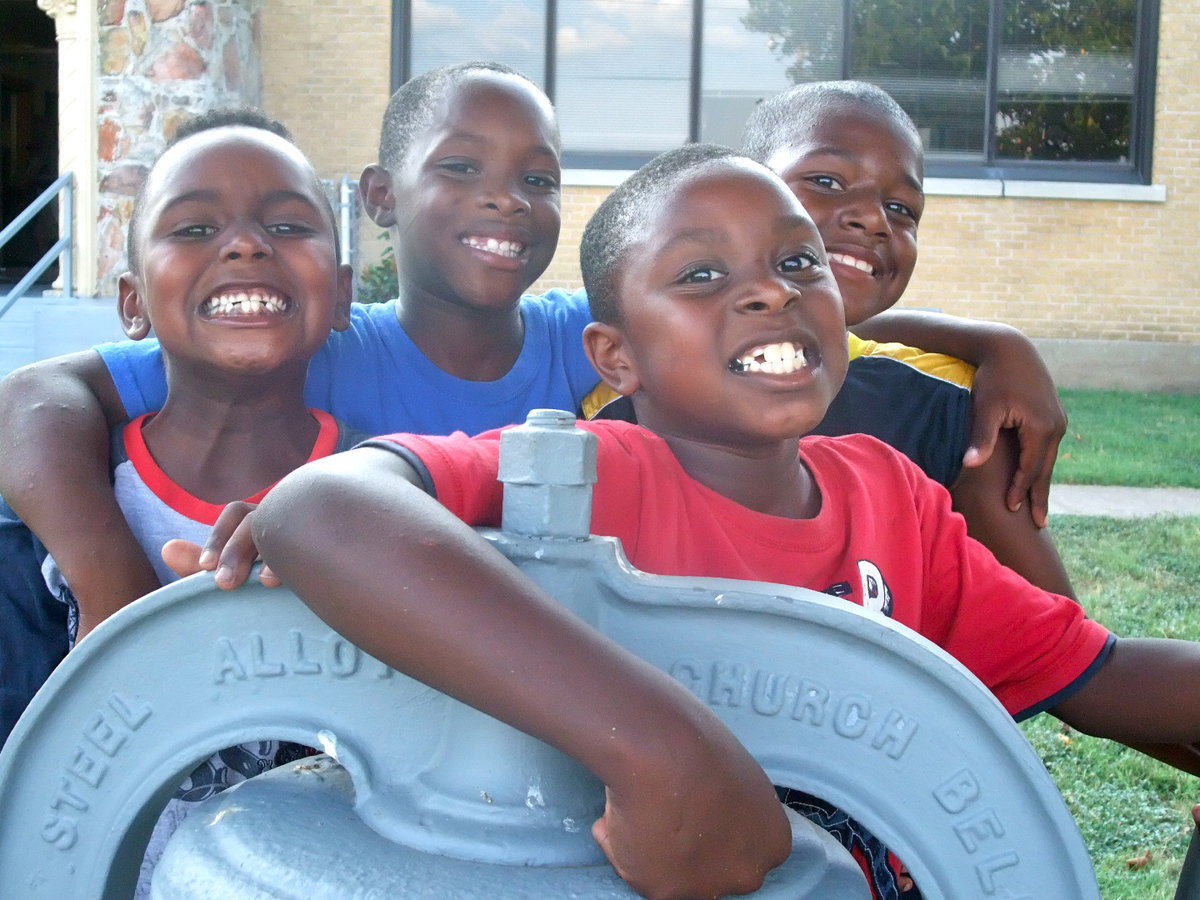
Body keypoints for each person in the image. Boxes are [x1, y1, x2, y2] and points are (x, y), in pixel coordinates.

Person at [238, 146, 1200, 899]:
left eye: (796, 262)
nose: (772, 290)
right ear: (617, 358)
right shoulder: (587, 475)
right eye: (701, 275)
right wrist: (657, 750)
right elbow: (322, 507)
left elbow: (1098, 673)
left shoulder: (893, 499)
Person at [0, 64, 1060, 731]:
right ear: (378, 201)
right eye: (460, 167)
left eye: (540, 178)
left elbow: (759, 315)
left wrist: (991, 340)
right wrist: (108, 582)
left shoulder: (572, 342)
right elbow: (41, 391)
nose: (505, 196)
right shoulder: (311, 344)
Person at [40, 108, 367, 894]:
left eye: (288, 224)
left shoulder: (390, 502)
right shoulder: (43, 521)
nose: (246, 244)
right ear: (132, 303)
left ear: (346, 292)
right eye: (192, 229)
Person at [590, 80, 1075, 600]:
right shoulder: (631, 407)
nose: (873, 218)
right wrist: (998, 342)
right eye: (825, 179)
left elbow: (1054, 639)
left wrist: (1000, 345)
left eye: (903, 208)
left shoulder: (953, 408)